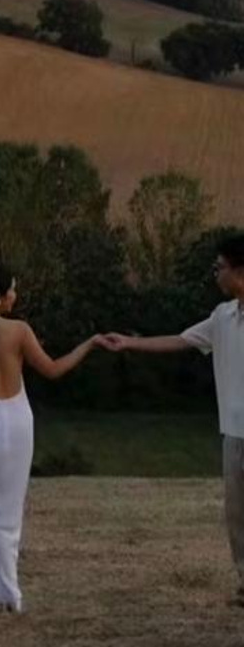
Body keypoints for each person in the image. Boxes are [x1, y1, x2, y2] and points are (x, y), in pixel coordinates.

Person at [101, 234, 244, 606]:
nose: (216, 274)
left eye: (220, 267)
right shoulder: (223, 316)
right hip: (234, 432)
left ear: (240, 271)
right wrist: (130, 343)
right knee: (236, 513)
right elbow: (181, 340)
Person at [0, 264, 101, 613]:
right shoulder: (19, 330)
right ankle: (2, 591)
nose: (15, 296)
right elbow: (53, 369)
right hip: (17, 421)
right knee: (8, 509)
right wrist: (89, 344)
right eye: (12, 290)